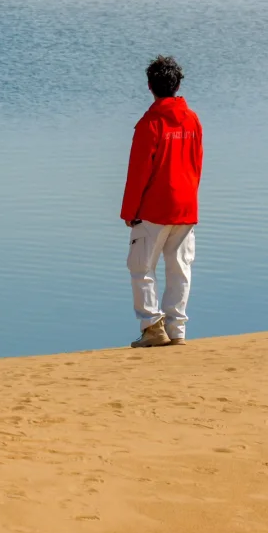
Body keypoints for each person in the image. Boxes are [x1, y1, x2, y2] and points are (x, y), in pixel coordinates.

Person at [120, 55, 204, 348]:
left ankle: (152, 326)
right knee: (180, 268)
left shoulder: (150, 122)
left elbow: (138, 172)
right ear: (178, 84)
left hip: (154, 208)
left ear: (149, 86)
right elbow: (197, 163)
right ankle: (177, 328)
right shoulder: (192, 119)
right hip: (185, 206)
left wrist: (129, 211)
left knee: (141, 268)